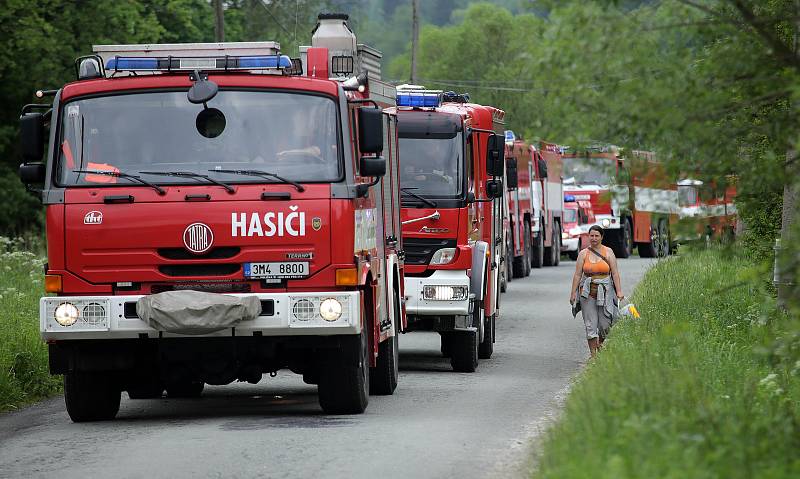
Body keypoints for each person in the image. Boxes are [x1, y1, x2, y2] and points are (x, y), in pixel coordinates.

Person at [569, 225, 624, 358]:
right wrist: (573, 293)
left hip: (605, 291)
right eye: (591, 236)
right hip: (587, 293)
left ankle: (600, 343)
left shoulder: (608, 252)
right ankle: (594, 356)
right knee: (590, 324)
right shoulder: (583, 254)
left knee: (606, 324)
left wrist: (619, 291)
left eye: (596, 236)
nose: (593, 238)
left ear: (601, 237)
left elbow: (615, 273)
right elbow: (577, 274)